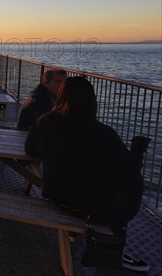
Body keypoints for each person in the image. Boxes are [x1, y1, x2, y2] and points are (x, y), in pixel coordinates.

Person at [25, 77, 150, 272]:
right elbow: (128, 169)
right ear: (91, 101)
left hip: (53, 195)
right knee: (131, 182)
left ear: (61, 96)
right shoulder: (103, 133)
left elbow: (30, 149)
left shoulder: (45, 121)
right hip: (88, 207)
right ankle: (113, 249)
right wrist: (137, 153)